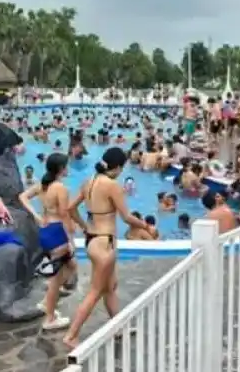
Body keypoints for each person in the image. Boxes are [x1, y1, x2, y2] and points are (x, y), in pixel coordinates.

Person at [62, 147, 151, 348]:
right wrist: (146, 227)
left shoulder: (89, 182)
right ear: (118, 167)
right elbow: (126, 217)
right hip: (105, 243)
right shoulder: (112, 185)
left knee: (110, 287)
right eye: (122, 168)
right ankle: (71, 335)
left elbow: (70, 208)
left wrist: (85, 227)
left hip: (93, 239)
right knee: (95, 291)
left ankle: (117, 328)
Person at [18, 152, 76, 332]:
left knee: (71, 266)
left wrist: (36, 216)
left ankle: (47, 303)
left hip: (45, 230)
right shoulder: (60, 188)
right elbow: (65, 215)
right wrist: (71, 239)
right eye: (66, 165)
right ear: (61, 169)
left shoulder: (43, 185)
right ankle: (49, 317)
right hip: (58, 232)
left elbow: (22, 197)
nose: (68, 168)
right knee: (56, 279)